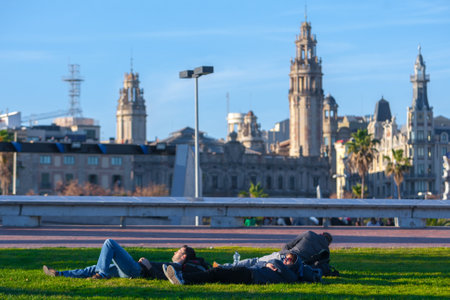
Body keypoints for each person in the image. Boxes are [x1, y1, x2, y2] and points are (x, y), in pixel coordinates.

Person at [42, 238, 209, 279]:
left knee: (109, 243)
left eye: (178, 251)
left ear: (184, 256)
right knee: (97, 266)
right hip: (134, 269)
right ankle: (60, 274)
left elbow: (162, 277)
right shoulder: (173, 264)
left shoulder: (177, 267)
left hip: (138, 271)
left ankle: (103, 274)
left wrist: (148, 266)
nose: (174, 252)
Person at [218, 231, 335, 276]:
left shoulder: (309, 234)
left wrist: (281, 254)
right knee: (256, 268)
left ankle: (223, 267)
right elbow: (322, 267)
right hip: (295, 266)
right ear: (328, 243)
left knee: (255, 261)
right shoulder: (326, 252)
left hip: (285, 256)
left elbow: (288, 245)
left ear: (321, 234)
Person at [163, 252, 322, 285]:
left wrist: (272, 263)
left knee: (216, 273)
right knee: (216, 274)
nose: (285, 259)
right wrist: (268, 264)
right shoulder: (283, 269)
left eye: (288, 259)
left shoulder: (290, 275)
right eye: (286, 257)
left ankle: (183, 279)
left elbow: (281, 267)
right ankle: (182, 275)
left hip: (251, 276)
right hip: (251, 273)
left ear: (294, 264)